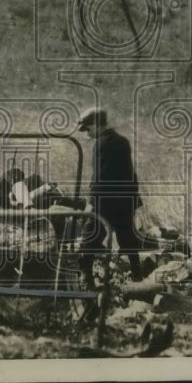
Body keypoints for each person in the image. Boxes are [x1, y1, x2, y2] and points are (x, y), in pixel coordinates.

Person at [76, 108, 143, 285]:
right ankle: (137, 278)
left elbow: (100, 178)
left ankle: (86, 279)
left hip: (106, 201)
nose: (86, 133)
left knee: (88, 236)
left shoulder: (102, 144)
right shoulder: (122, 141)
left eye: (88, 128)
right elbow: (130, 175)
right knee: (127, 239)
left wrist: (91, 204)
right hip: (124, 201)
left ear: (98, 125)